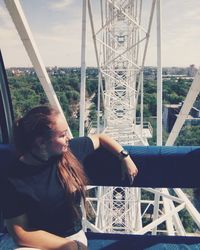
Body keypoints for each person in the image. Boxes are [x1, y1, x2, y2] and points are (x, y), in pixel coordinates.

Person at [0, 105, 138, 250]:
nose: (68, 138)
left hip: (70, 236)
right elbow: (20, 234)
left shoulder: (71, 151)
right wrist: (67, 246)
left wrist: (124, 156)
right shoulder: (12, 177)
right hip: (33, 242)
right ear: (41, 143)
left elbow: (100, 138)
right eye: (62, 135)